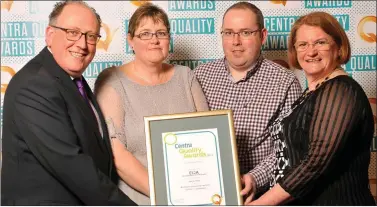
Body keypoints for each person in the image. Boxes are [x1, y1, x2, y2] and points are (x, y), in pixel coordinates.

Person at [1, 1, 136, 205]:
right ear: (50, 34)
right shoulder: (35, 84)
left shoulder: (72, 80)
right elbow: (73, 166)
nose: (82, 44)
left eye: (91, 36)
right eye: (72, 32)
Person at [248, 11, 376, 205]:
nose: (311, 51)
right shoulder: (311, 92)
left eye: (320, 42)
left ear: (338, 45)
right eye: (303, 44)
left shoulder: (340, 90)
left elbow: (315, 162)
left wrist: (261, 203)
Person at [94, 3, 209, 205]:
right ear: (131, 40)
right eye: (145, 34)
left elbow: (209, 140)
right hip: (138, 198)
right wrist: (168, 195)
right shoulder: (112, 80)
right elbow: (117, 154)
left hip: (194, 194)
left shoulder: (186, 77)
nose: (154, 40)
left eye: (161, 33)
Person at [194, 2, 302, 202]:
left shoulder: (285, 82)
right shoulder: (200, 76)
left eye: (245, 32)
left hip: (259, 196)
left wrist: (254, 177)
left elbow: (288, 148)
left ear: (262, 36)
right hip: (205, 191)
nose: (235, 41)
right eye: (228, 33)